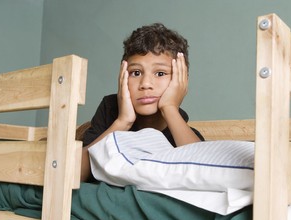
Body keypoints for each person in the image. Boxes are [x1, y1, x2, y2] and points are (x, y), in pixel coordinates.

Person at [80, 23, 204, 182]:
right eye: (136, 73)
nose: (145, 83)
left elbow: (204, 174)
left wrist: (170, 108)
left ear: (181, 80)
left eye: (160, 73)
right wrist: (122, 122)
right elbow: (73, 175)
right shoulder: (110, 110)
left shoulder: (184, 134)